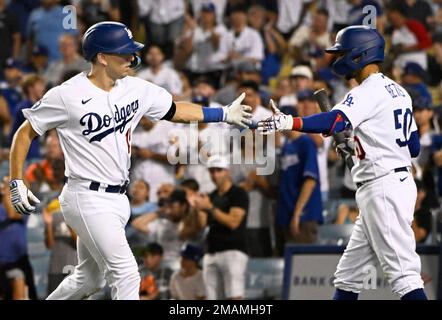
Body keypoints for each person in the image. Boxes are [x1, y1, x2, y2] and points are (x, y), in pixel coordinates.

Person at [9, 21, 252, 300]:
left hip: (118, 198)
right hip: (85, 196)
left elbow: (176, 110)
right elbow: (26, 131)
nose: (131, 57)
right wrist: (17, 178)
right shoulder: (67, 95)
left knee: (89, 278)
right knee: (127, 273)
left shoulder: (135, 88)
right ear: (101, 57)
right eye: (123, 52)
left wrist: (221, 113)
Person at [258, 25, 426, 300]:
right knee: (348, 277)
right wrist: (358, 143)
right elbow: (413, 146)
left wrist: (290, 121)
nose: (338, 59)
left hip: (382, 186)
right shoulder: (400, 92)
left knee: (405, 277)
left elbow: (335, 120)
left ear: (360, 55)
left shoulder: (367, 90)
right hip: (393, 182)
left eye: (343, 53)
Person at [193, 155, 249, 300]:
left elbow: (233, 222)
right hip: (211, 251)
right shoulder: (210, 196)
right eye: (212, 171)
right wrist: (198, 208)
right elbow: (201, 225)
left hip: (233, 250)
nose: (215, 175)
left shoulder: (238, 193)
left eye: (219, 170)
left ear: (227, 171)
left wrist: (210, 207)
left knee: (234, 296)